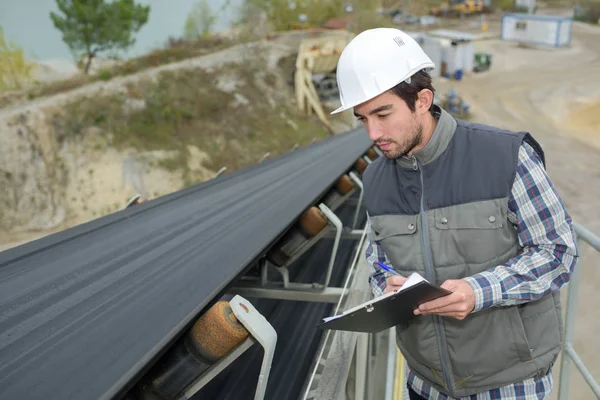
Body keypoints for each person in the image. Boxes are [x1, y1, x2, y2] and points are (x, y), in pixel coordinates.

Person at [331, 28, 579, 399]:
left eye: (383, 114)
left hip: (509, 384)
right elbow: (378, 258)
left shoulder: (505, 157)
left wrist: (479, 291)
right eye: (362, 118)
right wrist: (386, 286)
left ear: (421, 99)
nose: (373, 133)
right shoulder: (376, 179)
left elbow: (558, 253)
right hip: (424, 385)